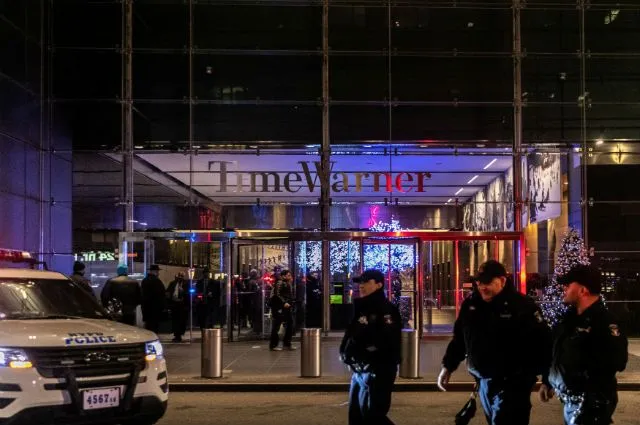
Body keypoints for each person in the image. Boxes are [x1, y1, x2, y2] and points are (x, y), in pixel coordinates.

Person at [438, 260, 552, 425]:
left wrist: (547, 380)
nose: (482, 287)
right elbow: (460, 339)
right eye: (479, 283)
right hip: (484, 382)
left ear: (502, 281)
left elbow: (544, 343)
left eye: (488, 283)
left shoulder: (522, 306)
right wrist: (448, 366)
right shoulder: (471, 305)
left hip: (514, 383)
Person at [539, 265, 628, 425]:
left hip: (591, 405)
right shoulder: (568, 320)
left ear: (582, 290)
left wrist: (584, 382)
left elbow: (617, 361)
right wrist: (548, 380)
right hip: (571, 402)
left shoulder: (604, 322)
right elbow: (557, 353)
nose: (564, 288)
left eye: (568, 284)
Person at [340, 269, 402, 425]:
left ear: (379, 285)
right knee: (356, 415)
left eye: (366, 282)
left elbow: (388, 341)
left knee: (373, 416)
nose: (361, 286)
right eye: (360, 282)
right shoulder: (362, 308)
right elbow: (352, 334)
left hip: (377, 369)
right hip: (360, 369)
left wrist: (366, 354)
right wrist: (346, 353)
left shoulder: (385, 309)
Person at [269, 269, 295, 351]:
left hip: (285, 307)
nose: (290, 277)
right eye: (288, 275)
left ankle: (286, 343)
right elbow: (277, 294)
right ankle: (274, 345)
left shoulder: (286, 283)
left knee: (289, 323)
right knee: (277, 325)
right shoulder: (280, 283)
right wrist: (284, 302)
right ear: (283, 276)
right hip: (279, 307)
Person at [141, 264, 167, 333]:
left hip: (146, 309)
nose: (158, 273)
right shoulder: (157, 281)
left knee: (148, 326)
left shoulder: (144, 281)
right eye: (158, 271)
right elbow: (161, 295)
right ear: (155, 271)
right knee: (154, 327)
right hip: (155, 309)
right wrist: (163, 307)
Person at [166, 272, 190, 342]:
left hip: (182, 305)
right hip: (175, 305)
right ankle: (177, 335)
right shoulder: (172, 283)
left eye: (181, 277)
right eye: (179, 277)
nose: (180, 278)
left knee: (181, 321)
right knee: (175, 321)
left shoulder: (186, 284)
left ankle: (179, 334)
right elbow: (168, 292)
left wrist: (184, 293)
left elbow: (188, 294)